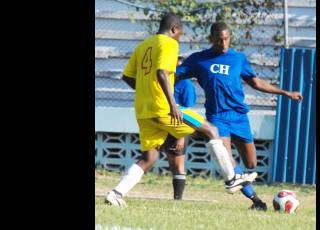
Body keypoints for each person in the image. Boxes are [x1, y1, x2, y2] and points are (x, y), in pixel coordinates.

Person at [105, 14, 257, 206]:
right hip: (163, 108)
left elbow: (127, 76)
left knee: (149, 156)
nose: (180, 37)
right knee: (211, 130)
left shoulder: (143, 46)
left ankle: (116, 193)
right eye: (181, 33)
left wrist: (146, 90)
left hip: (144, 109)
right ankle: (231, 178)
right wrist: (173, 105)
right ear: (174, 29)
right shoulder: (169, 44)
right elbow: (162, 73)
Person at [175, 22, 303, 211]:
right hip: (218, 117)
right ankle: (257, 201)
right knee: (227, 159)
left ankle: (245, 183)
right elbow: (173, 75)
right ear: (211, 39)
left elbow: (256, 82)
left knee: (251, 163)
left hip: (239, 117)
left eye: (227, 39)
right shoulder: (198, 60)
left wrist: (286, 93)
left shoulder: (238, 58)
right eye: (219, 40)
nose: (224, 44)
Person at [166, 56, 197, 200]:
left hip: (179, 127)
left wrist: (180, 136)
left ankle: (178, 198)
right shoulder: (166, 82)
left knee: (178, 163)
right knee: (171, 161)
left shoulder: (186, 85)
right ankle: (175, 194)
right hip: (164, 124)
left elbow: (187, 112)